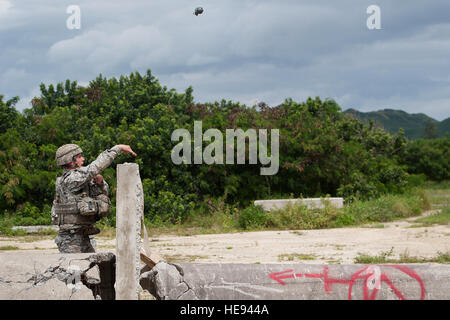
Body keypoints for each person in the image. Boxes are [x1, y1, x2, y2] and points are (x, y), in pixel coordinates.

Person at [52, 144, 137, 253]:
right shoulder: (71, 179)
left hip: (83, 236)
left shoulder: (81, 178)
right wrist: (117, 149)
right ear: (71, 160)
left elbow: (103, 192)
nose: (83, 159)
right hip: (70, 239)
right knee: (74, 268)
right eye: (79, 156)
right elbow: (95, 167)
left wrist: (100, 183)